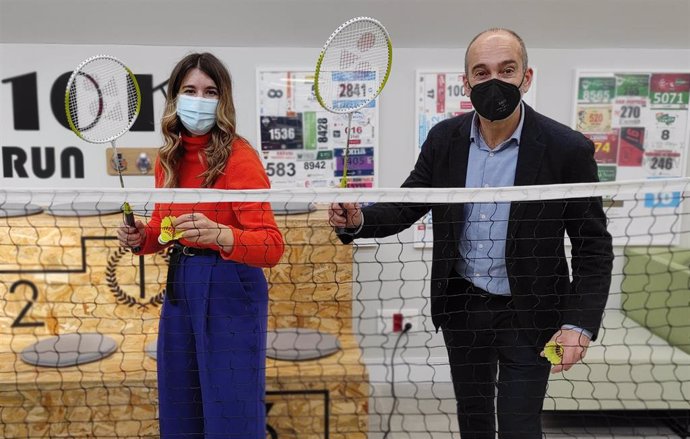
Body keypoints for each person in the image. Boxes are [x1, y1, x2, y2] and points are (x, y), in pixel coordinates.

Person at [329, 29, 613, 439]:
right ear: (467, 83)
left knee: (519, 425)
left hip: (532, 312)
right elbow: (409, 203)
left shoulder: (566, 148)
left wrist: (579, 324)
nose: (493, 81)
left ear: (526, 78)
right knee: (473, 417)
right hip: (463, 306)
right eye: (481, 72)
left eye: (506, 69)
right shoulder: (445, 139)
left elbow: (593, 248)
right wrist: (358, 220)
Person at [117, 52, 284, 438]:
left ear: (222, 101)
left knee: (231, 413)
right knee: (182, 408)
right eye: (190, 90)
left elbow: (272, 246)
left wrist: (221, 234)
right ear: (175, 98)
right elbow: (164, 229)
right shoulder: (168, 159)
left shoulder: (240, 158)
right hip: (182, 284)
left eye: (210, 92)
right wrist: (141, 237)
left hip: (230, 286)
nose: (199, 99)